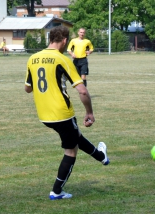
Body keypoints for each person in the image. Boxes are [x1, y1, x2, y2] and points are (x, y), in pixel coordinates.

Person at [24, 26, 109, 200]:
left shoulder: (32, 58)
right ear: (64, 41)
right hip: (61, 113)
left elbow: (28, 88)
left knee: (75, 136)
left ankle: (102, 157)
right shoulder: (61, 59)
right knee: (71, 150)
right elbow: (82, 91)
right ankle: (56, 191)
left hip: (44, 114)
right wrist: (90, 113)